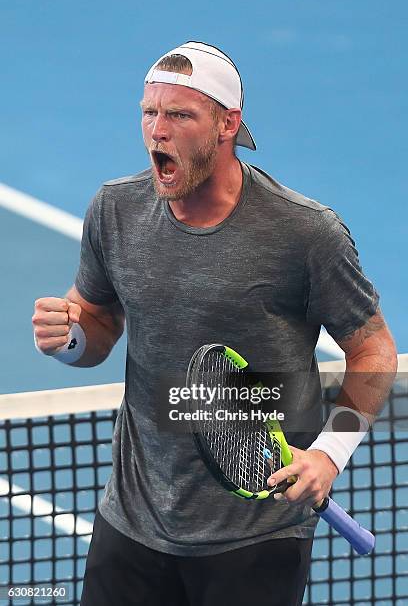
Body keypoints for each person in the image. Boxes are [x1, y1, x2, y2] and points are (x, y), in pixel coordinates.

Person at [32, 41, 397, 606]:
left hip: (257, 536)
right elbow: (98, 324)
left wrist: (330, 453)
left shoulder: (305, 233)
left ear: (228, 124)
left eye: (179, 115)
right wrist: (71, 337)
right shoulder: (115, 210)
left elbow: (374, 352)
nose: (158, 131)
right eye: (149, 113)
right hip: (132, 523)